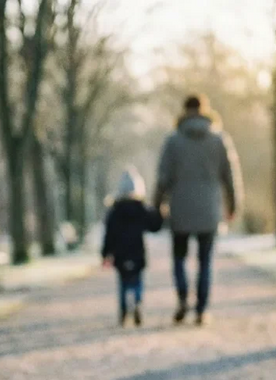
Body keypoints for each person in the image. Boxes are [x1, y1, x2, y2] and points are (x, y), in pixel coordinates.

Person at [155, 94, 243, 326]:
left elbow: (163, 178)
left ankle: (183, 298)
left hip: (180, 210)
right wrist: (233, 205)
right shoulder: (219, 139)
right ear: (205, 109)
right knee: (205, 262)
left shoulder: (173, 141)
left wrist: (156, 206)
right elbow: (231, 176)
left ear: (184, 111)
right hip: (209, 211)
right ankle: (202, 309)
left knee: (179, 259)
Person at [102, 167, 163, 327]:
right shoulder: (141, 208)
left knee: (123, 283)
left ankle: (123, 311)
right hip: (137, 252)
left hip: (120, 254)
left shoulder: (114, 211)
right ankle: (137, 302)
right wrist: (160, 212)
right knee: (137, 281)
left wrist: (105, 254)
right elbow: (155, 226)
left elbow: (108, 235)